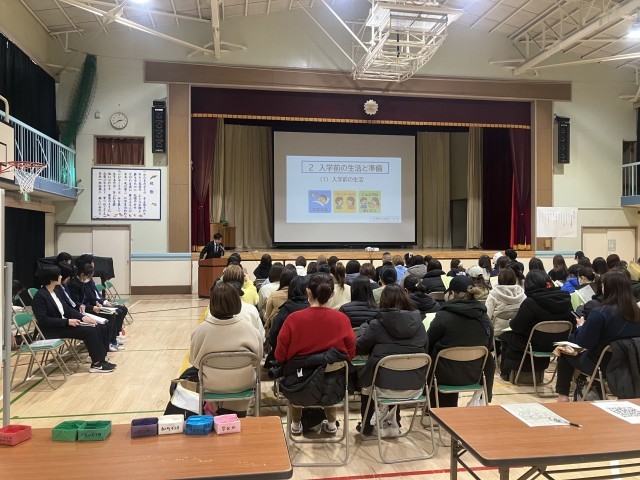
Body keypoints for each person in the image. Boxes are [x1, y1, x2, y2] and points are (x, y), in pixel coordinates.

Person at [275, 273, 355, 436]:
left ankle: (295, 424)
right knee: (330, 373)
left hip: (298, 385)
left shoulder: (293, 319)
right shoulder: (342, 319)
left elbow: (280, 356)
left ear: (308, 292)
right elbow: (350, 354)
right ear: (331, 294)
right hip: (333, 387)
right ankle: (331, 424)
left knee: (295, 371)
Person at [355, 283, 428, 435]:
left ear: (383, 301)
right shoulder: (419, 325)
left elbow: (360, 348)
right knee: (399, 371)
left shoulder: (376, 324)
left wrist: (364, 330)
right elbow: (425, 350)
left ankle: (367, 426)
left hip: (382, 386)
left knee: (372, 381)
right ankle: (395, 421)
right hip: (414, 386)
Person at [555, 271, 640, 401]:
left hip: (602, 365)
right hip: (632, 364)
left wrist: (581, 327)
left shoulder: (600, 313)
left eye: (603, 285)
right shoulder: (636, 312)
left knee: (564, 351)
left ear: (608, 288)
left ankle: (563, 397)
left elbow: (584, 342)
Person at [190, 282, 262, 415]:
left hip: (211, 386)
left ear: (212, 303)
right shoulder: (249, 329)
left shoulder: (200, 331)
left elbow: (194, 362)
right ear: (237, 302)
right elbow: (258, 357)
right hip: (243, 383)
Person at [31, 266, 115, 373]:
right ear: (51, 278)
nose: (61, 276)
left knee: (97, 325)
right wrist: (67, 321)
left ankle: (101, 360)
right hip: (53, 329)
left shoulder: (56, 291)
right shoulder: (40, 296)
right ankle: (97, 364)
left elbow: (67, 310)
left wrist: (83, 317)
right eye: (58, 275)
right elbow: (43, 320)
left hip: (64, 324)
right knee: (90, 331)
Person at [427, 275, 495, 407]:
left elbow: (429, 343)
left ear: (452, 294)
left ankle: (435, 408)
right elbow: (489, 345)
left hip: (443, 376)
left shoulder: (443, 317)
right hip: (475, 374)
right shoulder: (483, 317)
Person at [500, 270, 573, 380]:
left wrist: (511, 321)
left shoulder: (530, 302)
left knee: (506, 336)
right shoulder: (565, 300)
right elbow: (573, 323)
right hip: (558, 345)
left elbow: (517, 327)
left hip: (534, 344)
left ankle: (506, 372)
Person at [68, 255, 126, 352]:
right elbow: (76, 303)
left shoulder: (85, 281)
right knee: (111, 315)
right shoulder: (75, 284)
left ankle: (113, 338)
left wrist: (98, 302)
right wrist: (92, 307)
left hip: (91, 307)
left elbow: (91, 296)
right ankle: (109, 341)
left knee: (117, 311)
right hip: (84, 310)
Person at [267, 276, 310, 368]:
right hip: (311, 358)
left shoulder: (284, 311)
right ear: (307, 291)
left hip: (287, 359)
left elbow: (273, 337)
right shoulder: (312, 309)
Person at [221, 265, 264, 341]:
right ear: (242, 280)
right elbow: (261, 338)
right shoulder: (251, 308)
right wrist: (249, 281)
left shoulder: (213, 308)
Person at [485, 268, 525, 337]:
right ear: (514, 279)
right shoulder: (522, 294)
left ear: (499, 279)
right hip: (517, 331)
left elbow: (487, 316)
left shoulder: (493, 294)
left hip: (497, 331)